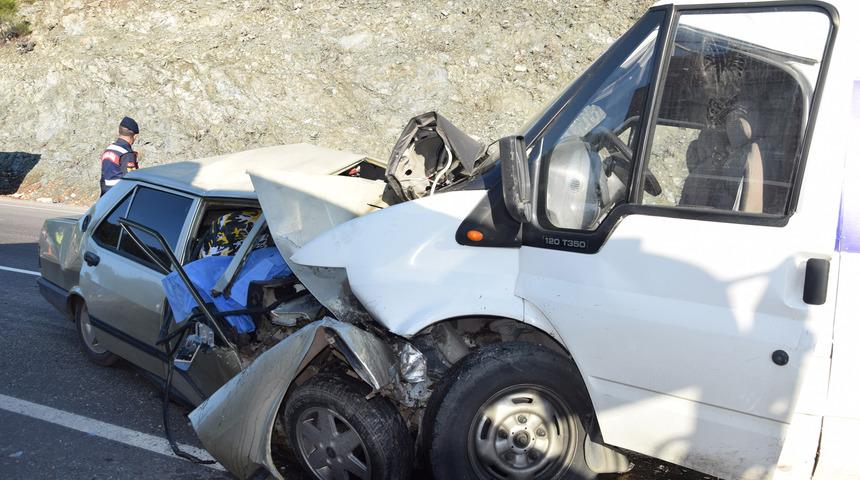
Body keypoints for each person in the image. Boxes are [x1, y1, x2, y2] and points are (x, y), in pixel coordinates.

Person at [99, 116, 141, 196]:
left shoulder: (109, 149)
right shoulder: (126, 153)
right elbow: (131, 179)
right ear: (135, 136)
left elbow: (103, 178)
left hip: (106, 195)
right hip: (119, 196)